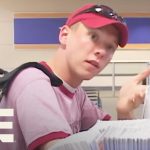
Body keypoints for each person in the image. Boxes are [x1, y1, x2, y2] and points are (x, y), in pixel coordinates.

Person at [0, 3, 150, 150]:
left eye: (110, 46)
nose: (102, 51)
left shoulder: (76, 92)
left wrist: (124, 110)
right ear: (64, 35)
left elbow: (113, 136)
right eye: (93, 36)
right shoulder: (33, 82)